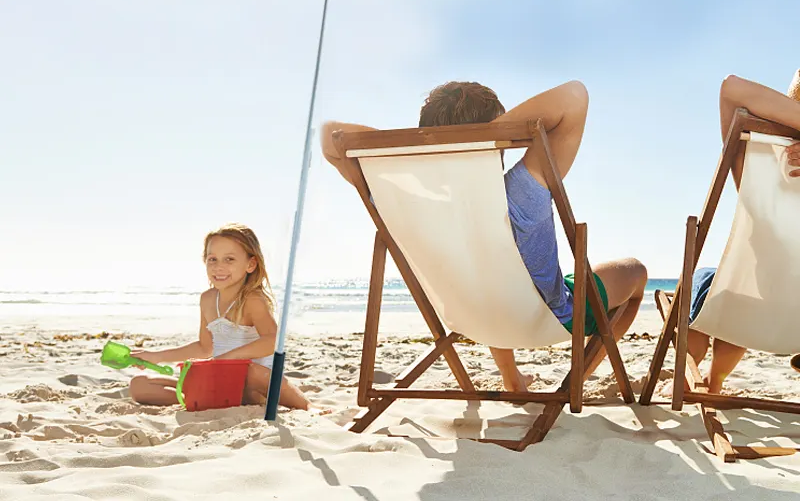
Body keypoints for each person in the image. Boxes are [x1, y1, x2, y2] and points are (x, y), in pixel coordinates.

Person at [321, 80, 648, 393]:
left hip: (471, 318)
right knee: (635, 271)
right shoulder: (522, 190)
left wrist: (428, 147)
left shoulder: (401, 200)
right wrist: (489, 138)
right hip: (550, 318)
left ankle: (511, 377)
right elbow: (574, 97)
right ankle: (576, 379)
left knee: (484, 272)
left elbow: (328, 137)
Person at [687, 75, 800, 393]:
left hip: (759, 308)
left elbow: (731, 89)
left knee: (714, 283)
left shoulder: (765, 181)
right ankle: (715, 380)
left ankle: (706, 379)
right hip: (789, 319)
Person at [128, 223, 309, 410]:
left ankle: (307, 405)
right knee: (139, 384)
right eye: (212, 259)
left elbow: (273, 341)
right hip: (218, 379)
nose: (218, 267)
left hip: (252, 385)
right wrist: (156, 357)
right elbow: (204, 347)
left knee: (251, 372)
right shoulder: (207, 299)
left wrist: (228, 359)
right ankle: (201, 399)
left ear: (250, 264)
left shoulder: (252, 299)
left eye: (229, 259)